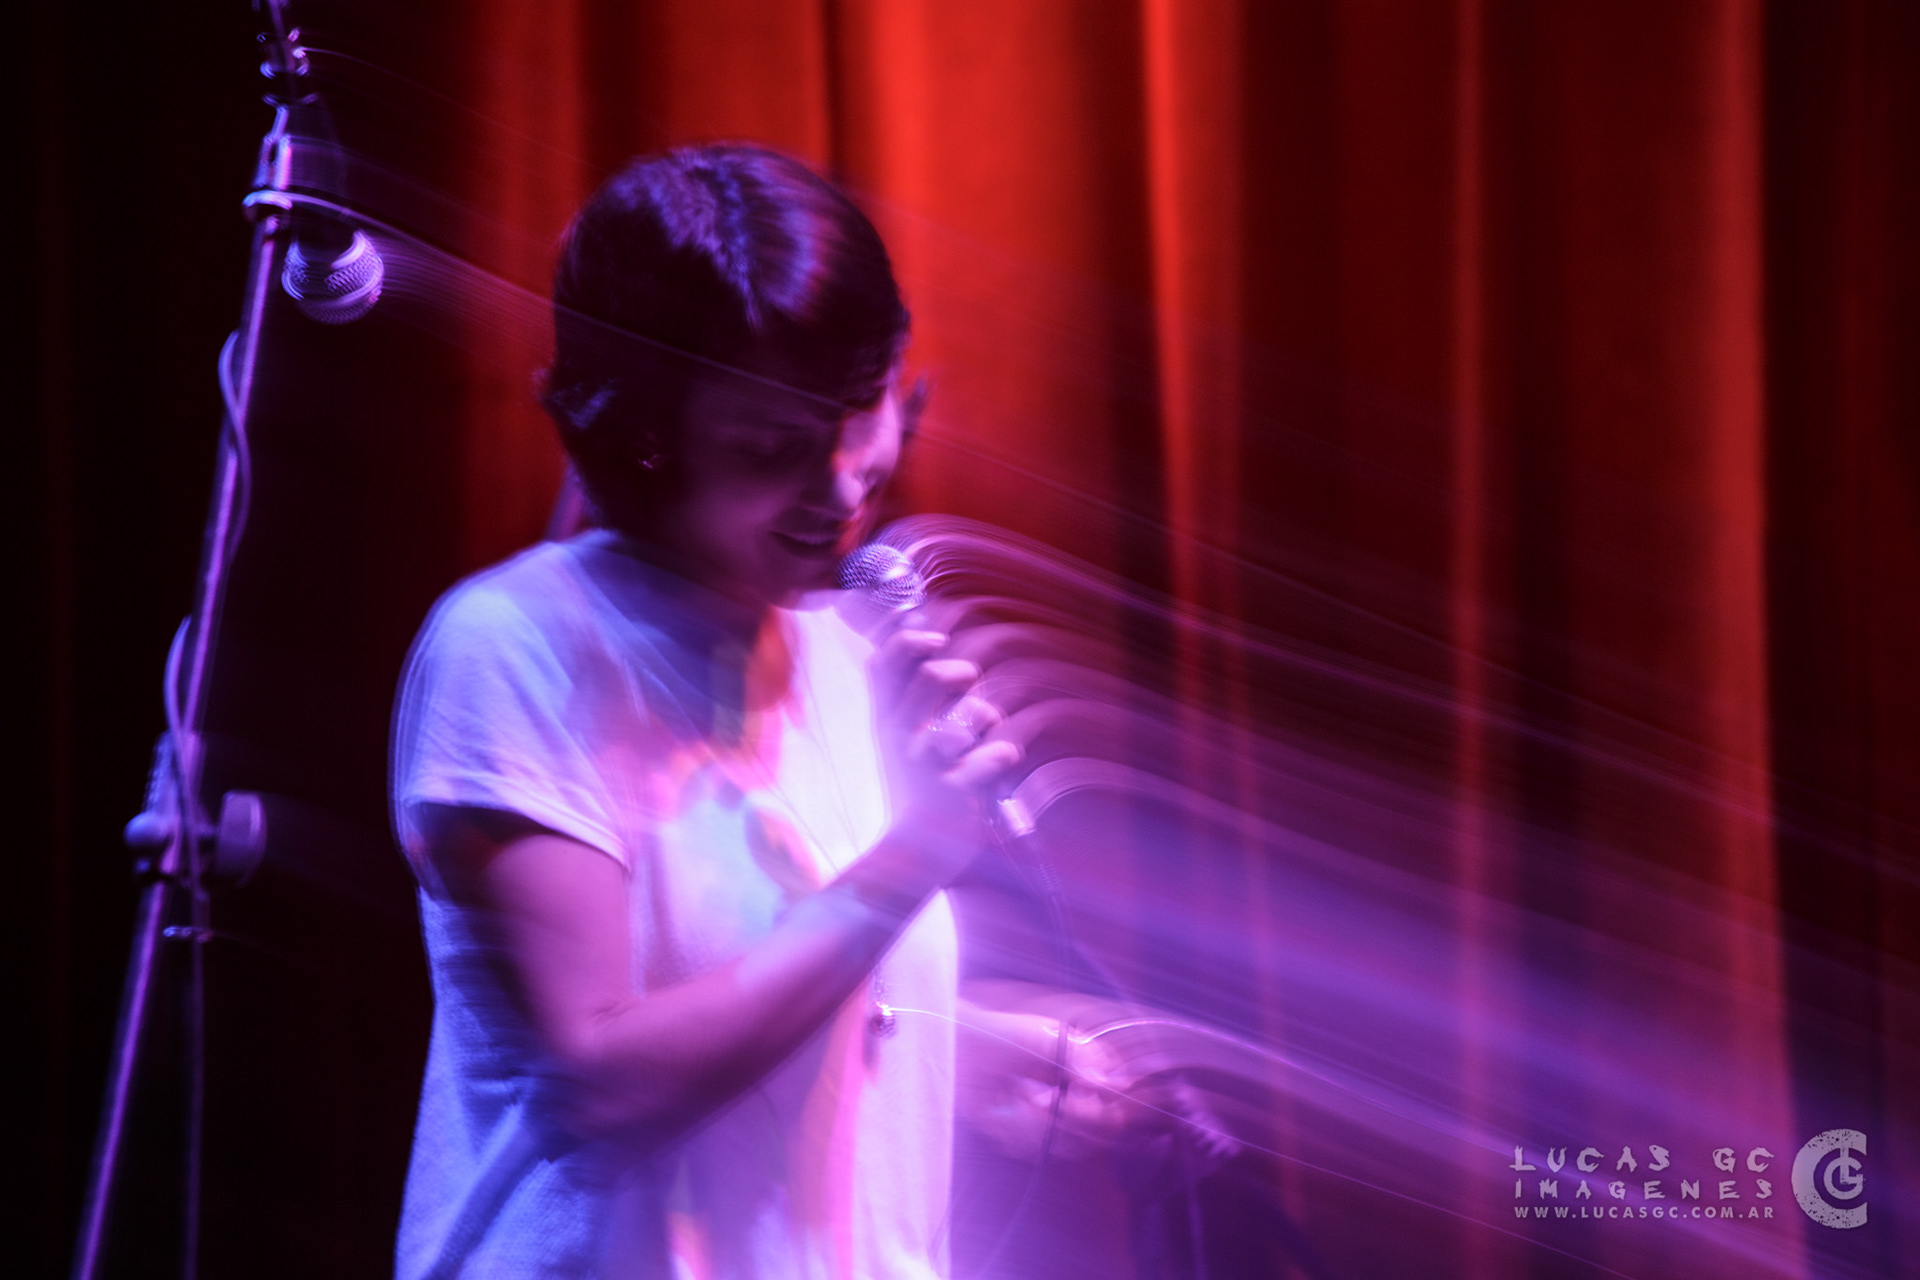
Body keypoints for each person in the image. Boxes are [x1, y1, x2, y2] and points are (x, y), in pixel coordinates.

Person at [389, 145, 1060, 1279]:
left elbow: (795, 1008)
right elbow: (601, 1082)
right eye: (770, 448)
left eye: (862, 412)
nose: (842, 483)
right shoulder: (519, 644)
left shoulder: (849, 656)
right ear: (645, 438)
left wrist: (1012, 1062)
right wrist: (917, 854)